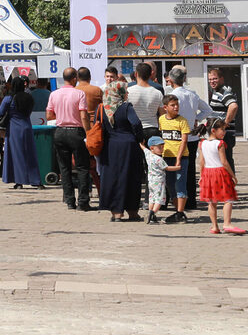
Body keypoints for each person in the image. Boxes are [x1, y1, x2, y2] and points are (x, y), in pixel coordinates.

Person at [164, 66, 215, 210]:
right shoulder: (192, 94)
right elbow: (208, 109)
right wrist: (195, 118)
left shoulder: (172, 96)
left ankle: (177, 200)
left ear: (171, 80)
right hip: (192, 136)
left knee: (175, 171)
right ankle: (190, 200)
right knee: (190, 170)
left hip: (176, 137)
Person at [98, 81, 144, 222]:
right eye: (126, 91)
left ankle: (116, 213)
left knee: (112, 178)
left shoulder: (101, 108)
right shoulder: (125, 107)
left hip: (110, 147)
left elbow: (98, 126)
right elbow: (135, 123)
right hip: (128, 147)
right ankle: (132, 212)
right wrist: (140, 138)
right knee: (130, 177)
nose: (128, 93)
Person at [47, 67, 91, 211]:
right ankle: (83, 201)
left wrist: (61, 116)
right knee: (82, 167)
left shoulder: (54, 94)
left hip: (60, 131)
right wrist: (88, 132)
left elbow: (49, 115)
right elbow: (84, 116)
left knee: (64, 168)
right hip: (76, 132)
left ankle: (70, 201)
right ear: (75, 78)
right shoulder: (79, 94)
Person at [197, 119, 244, 235]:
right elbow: (224, 162)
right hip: (219, 172)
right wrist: (232, 175)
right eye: (222, 129)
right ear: (214, 130)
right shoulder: (220, 144)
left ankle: (214, 226)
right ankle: (227, 223)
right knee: (228, 198)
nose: (224, 132)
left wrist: (201, 176)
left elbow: (201, 162)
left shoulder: (202, 143)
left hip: (208, 173)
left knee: (211, 201)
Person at [0, 76, 40, 188]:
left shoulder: (9, 98)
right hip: (27, 126)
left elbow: (0, 112)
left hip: (14, 128)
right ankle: (35, 180)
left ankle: (19, 181)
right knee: (30, 154)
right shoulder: (29, 97)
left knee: (16, 155)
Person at [157, 94, 191, 223]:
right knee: (170, 184)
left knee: (180, 183)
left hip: (181, 157)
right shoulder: (161, 120)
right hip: (167, 157)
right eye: (173, 105)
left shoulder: (182, 121)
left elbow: (184, 141)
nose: (176, 107)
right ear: (165, 107)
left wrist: (179, 157)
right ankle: (178, 211)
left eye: (177, 104)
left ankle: (180, 212)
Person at [207, 68, 239, 170]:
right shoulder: (217, 92)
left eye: (215, 79)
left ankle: (229, 183)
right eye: (210, 79)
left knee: (226, 160)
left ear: (222, 79)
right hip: (220, 133)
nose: (212, 81)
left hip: (225, 134)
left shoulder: (224, 92)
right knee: (222, 160)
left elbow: (233, 106)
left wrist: (225, 124)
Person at [144, 136, 180, 225]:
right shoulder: (159, 159)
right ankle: (152, 213)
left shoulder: (149, 155)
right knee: (159, 199)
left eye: (162, 147)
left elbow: (144, 149)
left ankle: (150, 212)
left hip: (151, 182)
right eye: (159, 147)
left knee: (152, 198)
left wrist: (141, 144)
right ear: (152, 148)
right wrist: (177, 167)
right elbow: (167, 168)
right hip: (159, 182)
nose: (161, 149)